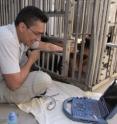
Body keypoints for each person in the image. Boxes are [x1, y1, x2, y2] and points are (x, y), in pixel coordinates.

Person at [0, 6, 62, 104]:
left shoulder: (21, 36)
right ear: (22, 27)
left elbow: (46, 46)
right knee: (43, 80)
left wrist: (66, 49)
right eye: (37, 33)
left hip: (6, 77)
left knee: (25, 63)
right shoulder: (7, 38)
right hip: (7, 83)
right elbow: (14, 85)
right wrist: (31, 60)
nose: (38, 38)